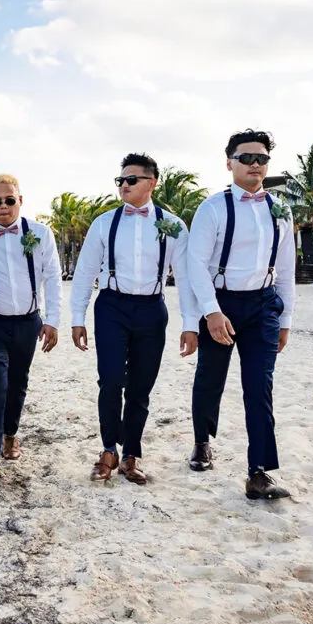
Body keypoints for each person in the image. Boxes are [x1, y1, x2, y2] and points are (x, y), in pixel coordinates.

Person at [70, 153, 198, 484]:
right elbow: (84, 273)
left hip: (152, 309)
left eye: (131, 180)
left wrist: (189, 324)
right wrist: (77, 317)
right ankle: (109, 449)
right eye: (120, 180)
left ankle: (131, 455)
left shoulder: (174, 226)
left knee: (141, 387)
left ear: (152, 183)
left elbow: (184, 278)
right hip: (111, 306)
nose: (123, 185)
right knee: (110, 380)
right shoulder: (104, 223)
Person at [187, 129, 295, 500]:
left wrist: (286, 321)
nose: (254, 164)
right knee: (210, 378)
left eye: (261, 158)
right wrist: (212, 313)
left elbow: (286, 267)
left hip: (264, 305)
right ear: (229, 162)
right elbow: (195, 264)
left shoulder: (280, 210)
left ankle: (259, 471)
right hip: (222, 303)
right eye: (246, 158)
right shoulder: (213, 207)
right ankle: (202, 441)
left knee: (259, 386)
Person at [0, 174, 62, 480]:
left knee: (18, 382)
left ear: (20, 201)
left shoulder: (41, 233)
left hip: (28, 322)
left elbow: (53, 276)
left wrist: (52, 321)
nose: (3, 206)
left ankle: (10, 435)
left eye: (9, 200)